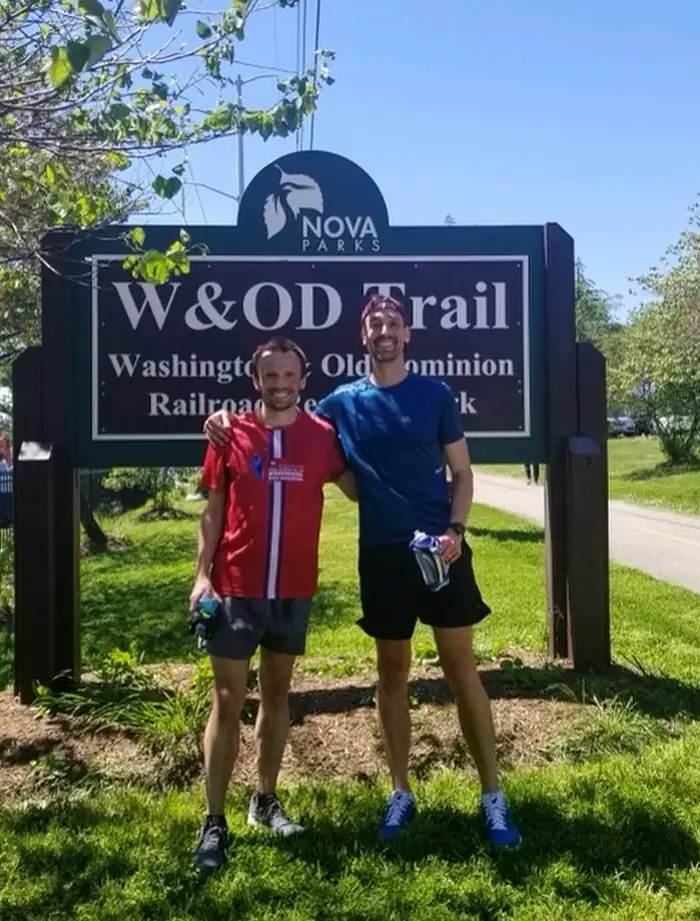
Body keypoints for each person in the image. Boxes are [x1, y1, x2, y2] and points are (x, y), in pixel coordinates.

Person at [204, 294, 521, 849]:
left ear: (407, 334)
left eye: (394, 324)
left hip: (441, 553)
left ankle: (493, 796)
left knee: (460, 669)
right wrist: (224, 419)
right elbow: (282, 421)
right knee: (391, 677)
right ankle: (401, 791)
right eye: (376, 324)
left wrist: (457, 531)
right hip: (381, 556)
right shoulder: (340, 405)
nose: (385, 332)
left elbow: (463, 473)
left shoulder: (436, 395)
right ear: (363, 334)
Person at [190, 337, 355, 873]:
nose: (280, 385)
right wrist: (200, 578)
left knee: (278, 696)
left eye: (289, 376)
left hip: (293, 588)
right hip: (235, 586)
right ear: (255, 379)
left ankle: (264, 799)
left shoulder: (324, 437)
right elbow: (212, 511)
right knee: (227, 699)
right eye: (270, 376)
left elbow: (361, 487)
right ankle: (213, 821)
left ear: (303, 379)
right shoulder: (228, 432)